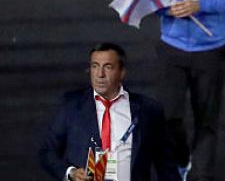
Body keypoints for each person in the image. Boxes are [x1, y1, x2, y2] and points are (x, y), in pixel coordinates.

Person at [147, 0, 225, 179]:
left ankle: (203, 176)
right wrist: (167, 10)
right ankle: (181, 159)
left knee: (206, 121)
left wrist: (200, 6)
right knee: (168, 116)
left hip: (210, 50)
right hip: (172, 48)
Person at [39, 43, 182, 181]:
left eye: (108, 67)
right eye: (95, 66)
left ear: (122, 72)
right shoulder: (72, 106)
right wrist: (71, 173)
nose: (100, 74)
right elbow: (48, 152)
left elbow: (165, 164)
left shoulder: (148, 110)